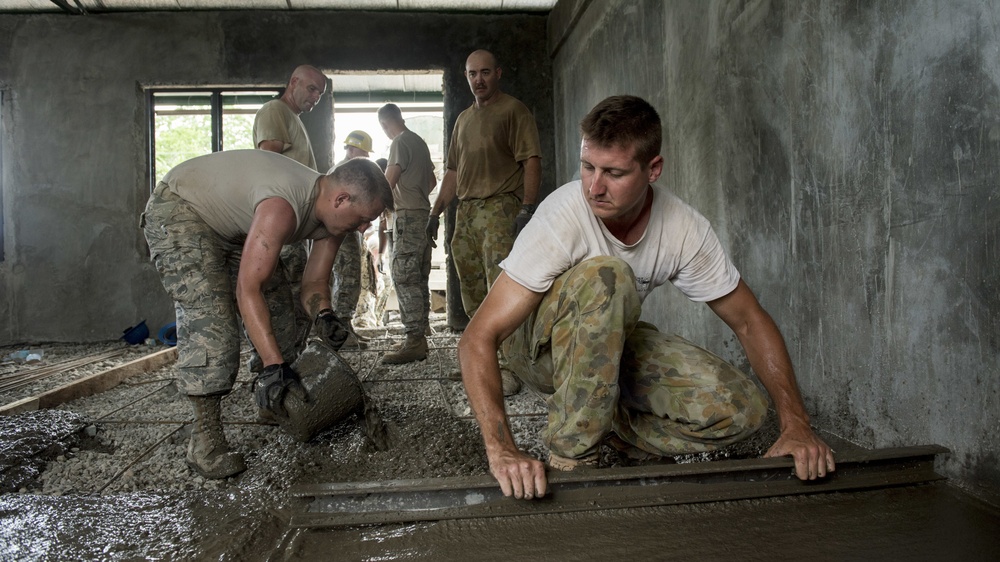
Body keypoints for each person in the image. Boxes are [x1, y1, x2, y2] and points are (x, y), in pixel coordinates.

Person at [457, 95, 836, 500]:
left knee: (742, 410)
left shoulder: (684, 228)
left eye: (614, 173)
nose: (594, 187)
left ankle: (620, 433)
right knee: (608, 274)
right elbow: (478, 337)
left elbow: (748, 319)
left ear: (653, 169)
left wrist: (796, 423)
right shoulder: (562, 214)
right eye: (587, 167)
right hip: (537, 351)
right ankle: (572, 456)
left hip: (607, 347)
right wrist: (502, 450)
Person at [142, 150, 393, 480]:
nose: (364, 229)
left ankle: (272, 400)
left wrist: (325, 315)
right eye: (363, 218)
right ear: (341, 199)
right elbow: (248, 290)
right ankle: (205, 441)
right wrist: (274, 365)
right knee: (212, 320)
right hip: (180, 212)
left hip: (231, 228)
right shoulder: (282, 208)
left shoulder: (331, 221)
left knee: (280, 311)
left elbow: (314, 283)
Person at [428, 49, 542, 394]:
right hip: (466, 211)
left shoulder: (513, 110)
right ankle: (480, 361)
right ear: (466, 76)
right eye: (472, 74)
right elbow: (451, 171)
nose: (479, 80)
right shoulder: (463, 120)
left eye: (485, 73)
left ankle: (508, 366)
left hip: (500, 207)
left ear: (498, 73)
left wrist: (527, 208)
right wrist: (435, 213)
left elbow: (531, 161)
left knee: (501, 288)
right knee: (472, 288)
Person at [251, 64, 327, 369]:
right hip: (282, 225)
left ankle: (289, 367)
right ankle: (272, 372)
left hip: (296, 228)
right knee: (280, 302)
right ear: (293, 82)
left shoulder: (292, 119)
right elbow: (267, 163)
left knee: (296, 301)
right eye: (311, 89)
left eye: (319, 94)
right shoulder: (275, 111)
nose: (314, 98)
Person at [377, 103, 437, 364]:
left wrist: (375, 206)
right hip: (423, 215)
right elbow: (433, 182)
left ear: (385, 124)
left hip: (408, 216)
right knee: (419, 277)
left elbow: (388, 180)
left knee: (403, 277)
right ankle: (422, 329)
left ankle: (414, 341)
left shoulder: (399, 142)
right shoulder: (419, 142)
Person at [330, 130, 376, 349]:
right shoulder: (343, 172)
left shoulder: (344, 170)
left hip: (347, 232)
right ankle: (340, 334)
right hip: (342, 234)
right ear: (352, 149)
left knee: (350, 278)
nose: (367, 156)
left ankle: (346, 329)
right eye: (364, 151)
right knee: (346, 279)